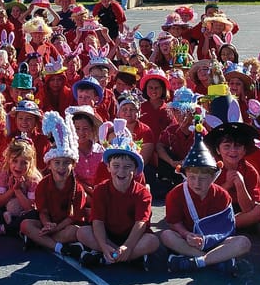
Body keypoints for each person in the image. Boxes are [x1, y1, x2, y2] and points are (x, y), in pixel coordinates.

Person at [161, 126, 251, 276]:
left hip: (215, 241)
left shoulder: (222, 195)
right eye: (192, 177)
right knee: (166, 236)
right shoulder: (175, 194)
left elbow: (227, 228)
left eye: (203, 179)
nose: (197, 183)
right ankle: (215, 260)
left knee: (243, 242)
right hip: (189, 241)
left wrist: (206, 240)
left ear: (213, 177)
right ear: (185, 175)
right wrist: (186, 235)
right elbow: (173, 222)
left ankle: (196, 262)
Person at [76, 120, 160, 268]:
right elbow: (98, 221)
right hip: (108, 235)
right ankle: (123, 256)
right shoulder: (101, 189)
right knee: (82, 232)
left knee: (152, 242)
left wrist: (127, 246)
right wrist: (103, 244)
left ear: (135, 170)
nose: (121, 171)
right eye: (116, 166)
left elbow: (140, 223)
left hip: (132, 237)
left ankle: (107, 258)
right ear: (108, 167)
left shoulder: (142, 193)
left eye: (127, 167)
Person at [20, 111, 86, 256]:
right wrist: (47, 224)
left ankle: (39, 241)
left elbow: (73, 218)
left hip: (64, 226)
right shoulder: (43, 185)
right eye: (57, 163)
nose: (61, 167)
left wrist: (54, 229)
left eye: (66, 163)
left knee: (76, 231)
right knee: (26, 224)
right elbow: (42, 211)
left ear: (73, 165)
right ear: (49, 165)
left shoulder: (78, 188)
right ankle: (59, 247)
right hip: (49, 224)